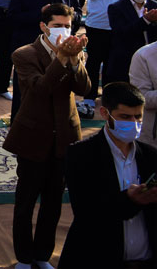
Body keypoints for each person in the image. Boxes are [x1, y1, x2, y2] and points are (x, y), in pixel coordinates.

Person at [2, 2, 89, 269]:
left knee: (53, 202)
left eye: (66, 26)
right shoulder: (24, 54)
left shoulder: (76, 51)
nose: (62, 31)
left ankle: (42, 254)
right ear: (43, 26)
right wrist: (61, 58)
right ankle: (24, 257)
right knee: (26, 201)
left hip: (64, 135)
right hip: (33, 135)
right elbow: (40, 89)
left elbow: (84, 87)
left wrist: (74, 59)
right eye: (56, 26)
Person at [59, 82, 157, 268]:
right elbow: (88, 214)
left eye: (138, 117)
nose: (133, 124)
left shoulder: (151, 156)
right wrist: (131, 200)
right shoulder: (82, 155)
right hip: (100, 258)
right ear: (105, 114)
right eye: (125, 117)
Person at [82, 0, 132, 112]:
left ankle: (109, 97)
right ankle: (89, 97)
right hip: (97, 23)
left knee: (114, 63)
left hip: (117, 25)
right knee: (95, 61)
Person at [107, 0, 157, 86]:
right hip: (126, 62)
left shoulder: (154, 6)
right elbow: (122, 34)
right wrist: (145, 20)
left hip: (152, 61)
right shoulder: (116, 8)